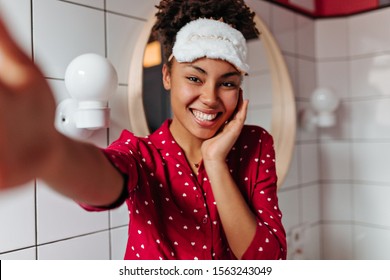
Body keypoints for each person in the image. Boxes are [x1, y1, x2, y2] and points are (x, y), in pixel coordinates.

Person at [0, 0, 286, 260]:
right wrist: (50, 153)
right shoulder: (141, 155)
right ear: (166, 76)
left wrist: (215, 162)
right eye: (194, 78)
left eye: (227, 83)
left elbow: (267, 260)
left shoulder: (255, 144)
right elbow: (104, 180)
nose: (210, 97)